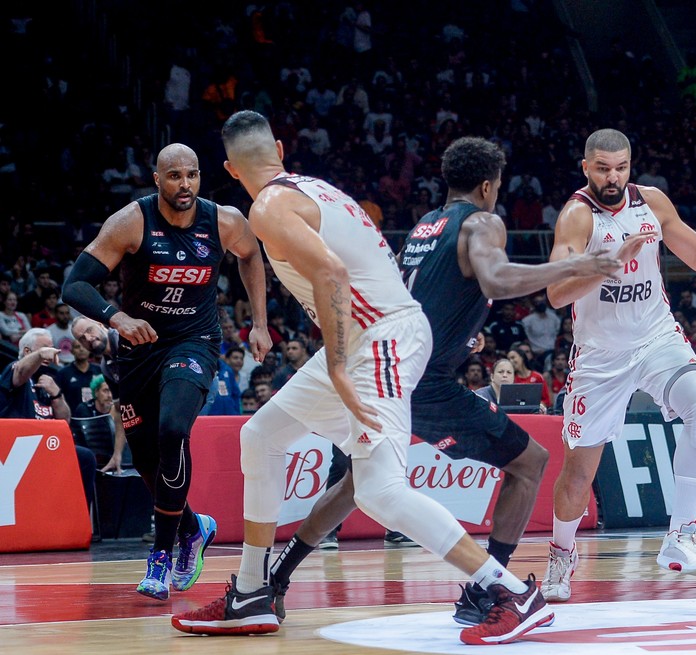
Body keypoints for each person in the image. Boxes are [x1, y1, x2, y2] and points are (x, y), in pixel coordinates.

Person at [171, 112, 557, 644]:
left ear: (230, 169)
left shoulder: (268, 206)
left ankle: (511, 592)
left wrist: (334, 361)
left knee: (380, 492)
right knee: (260, 435)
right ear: (280, 148)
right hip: (375, 333)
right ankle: (252, 593)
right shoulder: (315, 189)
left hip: (376, 339)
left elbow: (332, 273)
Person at [247, 134, 623, 633]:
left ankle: (276, 577)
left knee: (362, 481)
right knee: (530, 463)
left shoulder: (427, 226)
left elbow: (420, 297)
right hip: (423, 381)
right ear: (489, 186)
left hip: (394, 363)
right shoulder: (483, 222)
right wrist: (576, 264)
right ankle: (491, 592)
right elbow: (498, 281)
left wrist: (457, 338)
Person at [541, 128, 696, 603]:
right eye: (603, 168)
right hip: (600, 357)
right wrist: (606, 262)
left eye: (621, 167)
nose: (613, 177)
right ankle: (560, 558)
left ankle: (680, 537)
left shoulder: (651, 202)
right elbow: (555, 294)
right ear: (585, 167)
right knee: (578, 474)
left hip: (656, 337)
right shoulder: (576, 218)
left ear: (631, 165)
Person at [62, 143, 272, 601]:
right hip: (138, 350)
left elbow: (251, 254)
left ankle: (161, 556)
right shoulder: (131, 222)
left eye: (192, 175)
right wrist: (115, 317)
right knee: (148, 462)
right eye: (174, 176)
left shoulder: (224, 220)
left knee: (173, 429)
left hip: (193, 343)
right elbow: (74, 284)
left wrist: (259, 322)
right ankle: (194, 528)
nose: (185, 185)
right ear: (157, 179)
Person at [0, 329, 95, 524]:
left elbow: (65, 421)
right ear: (27, 351)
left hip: (45, 447)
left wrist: (57, 395)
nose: (51, 352)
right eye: (45, 347)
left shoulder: (46, 380)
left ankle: (77, 521)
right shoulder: (15, 370)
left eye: (51, 347)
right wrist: (40, 354)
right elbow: (20, 371)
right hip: (16, 449)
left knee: (84, 457)